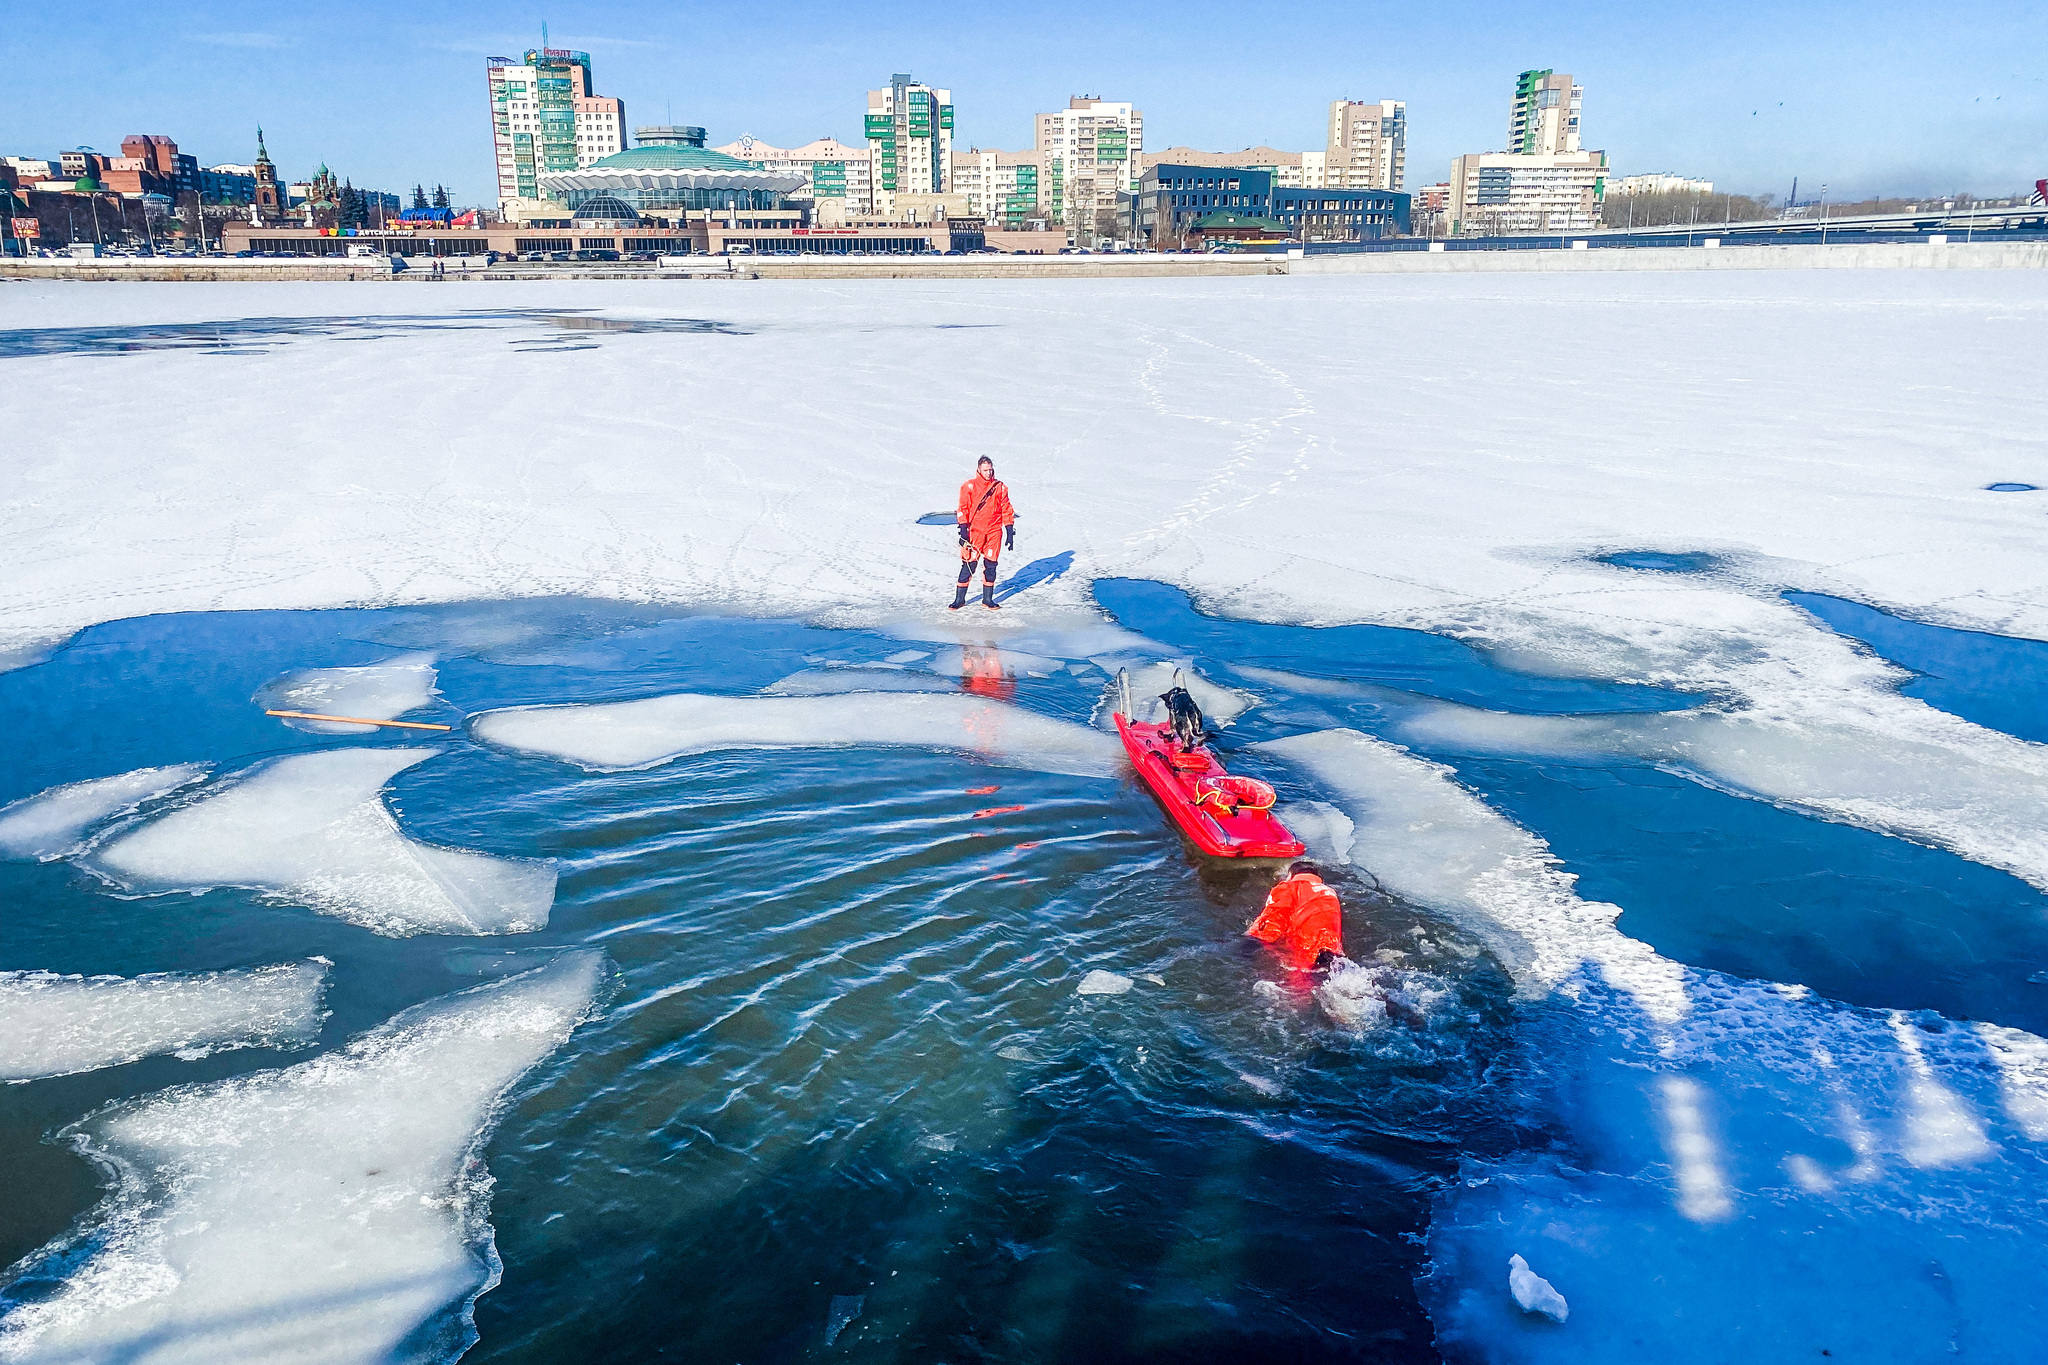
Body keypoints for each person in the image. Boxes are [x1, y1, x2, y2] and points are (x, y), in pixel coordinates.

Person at [1245, 861, 1344, 970]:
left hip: (1305, 943)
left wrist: (1253, 939)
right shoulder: (1329, 891)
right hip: (1330, 946)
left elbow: (1276, 914)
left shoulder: (1288, 887)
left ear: (1291, 875)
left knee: (1297, 978)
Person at [951, 455, 1016, 611]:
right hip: (975, 532)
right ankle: (959, 599)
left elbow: (1006, 508)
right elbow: (963, 508)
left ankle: (988, 599)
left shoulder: (999, 487)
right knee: (969, 564)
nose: (988, 473)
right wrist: (963, 529)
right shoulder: (969, 487)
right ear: (979, 470)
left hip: (994, 532)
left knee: (991, 565)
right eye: (985, 470)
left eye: (990, 470)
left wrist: (1009, 530)